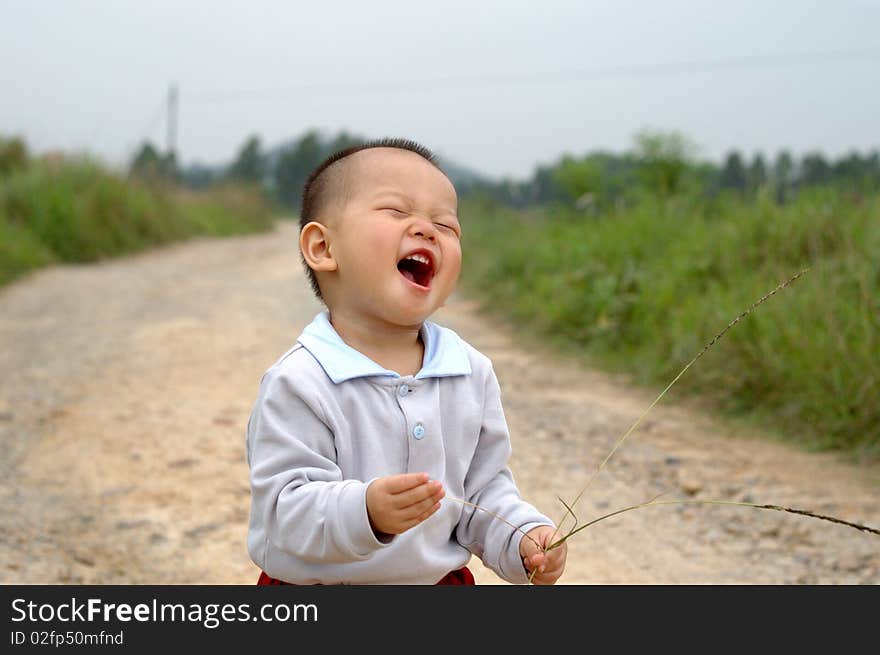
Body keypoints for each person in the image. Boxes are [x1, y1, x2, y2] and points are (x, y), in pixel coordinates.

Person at [246, 138, 567, 585]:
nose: (427, 229)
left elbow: (481, 493)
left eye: (446, 225)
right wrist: (366, 512)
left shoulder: (469, 373)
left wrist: (523, 538)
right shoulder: (301, 381)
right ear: (323, 247)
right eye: (397, 212)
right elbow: (285, 511)